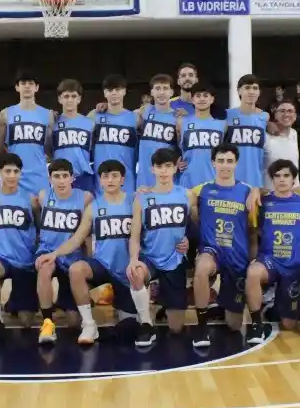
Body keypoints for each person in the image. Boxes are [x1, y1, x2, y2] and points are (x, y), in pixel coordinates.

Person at [39, 159, 136, 346]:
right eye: (105, 176)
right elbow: (76, 239)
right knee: (77, 269)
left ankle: (142, 319)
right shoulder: (93, 207)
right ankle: (89, 324)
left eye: (115, 176)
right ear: (100, 180)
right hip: (101, 264)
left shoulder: (135, 201)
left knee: (128, 330)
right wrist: (54, 254)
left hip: (126, 270)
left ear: (123, 179)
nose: (110, 180)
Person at [190, 144, 256, 348]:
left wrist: (258, 189)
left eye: (229, 161)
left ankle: (221, 303)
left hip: (237, 254)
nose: (224, 166)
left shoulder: (247, 191)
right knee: (201, 268)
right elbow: (170, 193)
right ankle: (201, 327)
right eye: (220, 161)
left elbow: (253, 231)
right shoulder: (201, 190)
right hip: (212, 250)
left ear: (236, 163)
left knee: (234, 325)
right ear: (213, 163)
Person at [126, 148, 192, 348]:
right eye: (159, 167)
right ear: (152, 169)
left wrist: (189, 239)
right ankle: (146, 323)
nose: (163, 171)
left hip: (175, 259)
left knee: (176, 328)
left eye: (168, 166)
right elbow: (135, 235)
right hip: (150, 258)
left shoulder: (187, 195)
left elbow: (197, 226)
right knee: (135, 272)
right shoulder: (142, 198)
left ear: (175, 168)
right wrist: (133, 260)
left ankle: (161, 298)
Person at [245, 159, 300, 346]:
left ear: (293, 179)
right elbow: (252, 230)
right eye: (277, 176)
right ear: (271, 180)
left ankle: (274, 304)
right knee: (253, 273)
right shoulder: (263, 201)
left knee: (289, 325)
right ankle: (256, 324)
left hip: (294, 263)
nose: (282, 180)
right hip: (270, 259)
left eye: (286, 175)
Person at [34, 159, 91, 344]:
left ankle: (63, 302)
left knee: (74, 323)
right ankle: (48, 322)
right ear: (50, 178)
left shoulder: (85, 198)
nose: (61, 180)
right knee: (44, 268)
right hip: (47, 252)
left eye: (65, 176)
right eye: (56, 176)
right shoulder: (43, 196)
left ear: (72, 178)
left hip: (72, 257)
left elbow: (87, 233)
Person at [0, 153, 40, 341]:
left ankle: (15, 303)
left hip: (25, 261)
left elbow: (40, 228)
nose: (11, 175)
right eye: (7, 171)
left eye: (16, 171)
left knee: (26, 322)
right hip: (0, 256)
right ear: (0, 172)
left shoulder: (31, 200)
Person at [0, 72, 52, 197]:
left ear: (36, 87)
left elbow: (50, 149)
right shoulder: (5, 113)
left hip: (39, 176)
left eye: (31, 83)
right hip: (14, 175)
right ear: (17, 87)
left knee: (39, 214)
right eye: (23, 83)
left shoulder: (47, 114)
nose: (27, 86)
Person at [90, 74, 139, 195]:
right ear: (105, 93)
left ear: (124, 91)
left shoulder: (135, 119)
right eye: (110, 90)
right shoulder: (94, 116)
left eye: (117, 89)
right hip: (100, 180)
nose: (114, 93)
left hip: (127, 180)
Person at [136, 74, 180, 191]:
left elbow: (182, 147)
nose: (161, 92)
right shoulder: (144, 111)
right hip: (144, 179)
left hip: (167, 179)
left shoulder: (178, 118)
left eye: (165, 88)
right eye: (158, 88)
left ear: (171, 92)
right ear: (152, 92)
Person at [224, 75, 269, 188]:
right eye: (247, 87)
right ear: (239, 91)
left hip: (256, 179)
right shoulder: (226, 115)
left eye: (255, 88)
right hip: (231, 179)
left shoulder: (265, 117)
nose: (251, 91)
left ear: (259, 92)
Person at [178, 83, 225, 189]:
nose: (202, 99)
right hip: (188, 182)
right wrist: (176, 160)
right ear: (192, 99)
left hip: (214, 182)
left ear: (212, 99)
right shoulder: (181, 122)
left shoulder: (222, 125)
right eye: (198, 96)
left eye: (205, 95)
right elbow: (175, 146)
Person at [52, 79, 95, 192]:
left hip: (83, 177)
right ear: (60, 99)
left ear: (79, 99)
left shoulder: (90, 123)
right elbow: (48, 149)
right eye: (66, 96)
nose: (70, 100)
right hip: (61, 177)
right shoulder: (53, 123)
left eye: (73, 96)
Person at [264, 99, 300, 187]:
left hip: (293, 192)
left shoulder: (294, 134)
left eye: (290, 111)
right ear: (275, 115)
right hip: (270, 193)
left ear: (295, 116)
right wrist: (266, 124)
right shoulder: (265, 135)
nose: (286, 114)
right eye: (282, 111)